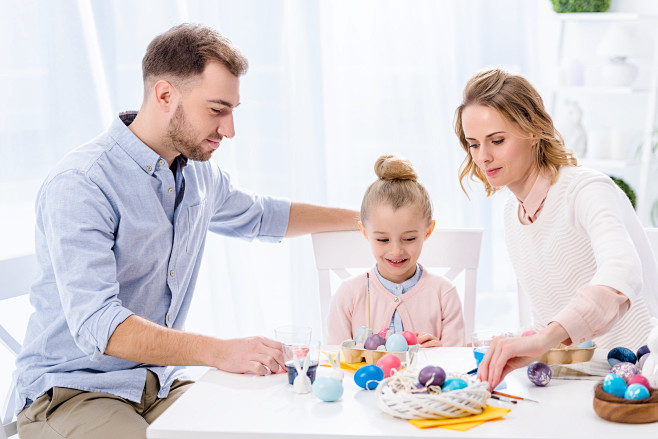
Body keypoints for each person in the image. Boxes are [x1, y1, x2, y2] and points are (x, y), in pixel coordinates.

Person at [14, 23, 358, 439]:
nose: (229, 130)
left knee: (263, 426)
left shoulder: (195, 175)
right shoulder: (83, 183)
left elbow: (262, 215)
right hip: (71, 391)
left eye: (232, 111)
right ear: (165, 95)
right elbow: (98, 324)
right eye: (217, 110)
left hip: (156, 388)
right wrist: (219, 351)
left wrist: (366, 220)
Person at [454, 68, 658, 390]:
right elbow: (548, 320)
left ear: (534, 129)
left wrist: (543, 339)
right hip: (570, 383)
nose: (483, 157)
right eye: (473, 144)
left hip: (638, 381)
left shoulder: (586, 190)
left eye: (497, 140)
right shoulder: (513, 214)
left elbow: (622, 272)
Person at [326, 155, 466, 348]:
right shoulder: (348, 295)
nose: (396, 250)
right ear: (365, 232)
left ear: (428, 231)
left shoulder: (444, 294)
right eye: (383, 239)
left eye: (409, 239)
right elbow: (336, 363)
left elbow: (457, 365)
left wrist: (441, 353)